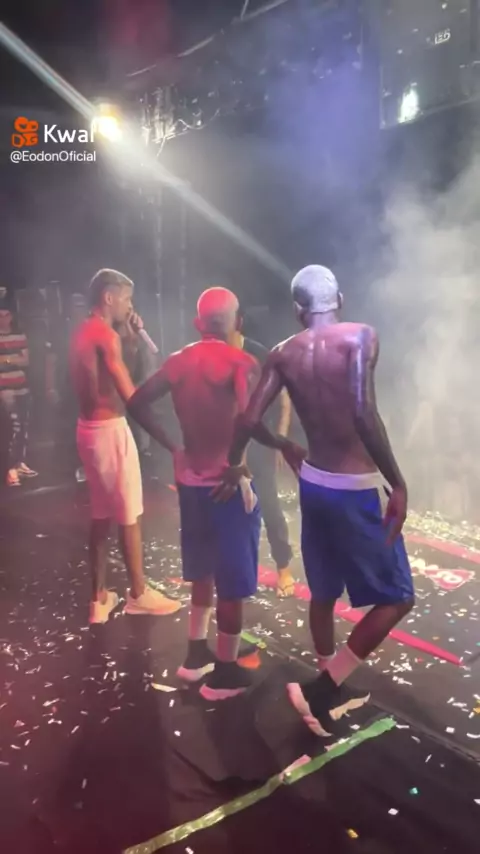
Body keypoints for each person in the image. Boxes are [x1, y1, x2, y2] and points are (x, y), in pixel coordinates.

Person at [217, 265, 414, 735]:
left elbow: (248, 419)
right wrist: (398, 483)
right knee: (398, 598)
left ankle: (328, 684)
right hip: (354, 485)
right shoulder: (360, 336)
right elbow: (363, 412)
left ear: (297, 310)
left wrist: (237, 461)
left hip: (315, 482)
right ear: (339, 299)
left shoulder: (283, 353)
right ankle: (324, 688)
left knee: (324, 591)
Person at [128, 287, 299, 699]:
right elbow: (249, 420)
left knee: (202, 571)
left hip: (191, 483)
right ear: (237, 322)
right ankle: (224, 673)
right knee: (232, 583)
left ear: (198, 323)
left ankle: (195, 656)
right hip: (227, 486)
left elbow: (136, 402)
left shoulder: (179, 361)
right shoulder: (241, 363)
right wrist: (270, 449)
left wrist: (174, 448)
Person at [70, 268, 181, 624]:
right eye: (127, 298)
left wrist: (131, 337)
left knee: (101, 514)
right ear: (109, 297)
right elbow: (129, 395)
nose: (130, 306)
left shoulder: (84, 330)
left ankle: (98, 599)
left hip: (88, 430)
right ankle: (138, 594)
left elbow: (111, 372)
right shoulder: (105, 334)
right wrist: (169, 440)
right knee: (130, 514)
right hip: (110, 431)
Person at [229, 321, 295, 597]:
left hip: (260, 441)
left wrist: (279, 441)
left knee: (269, 505)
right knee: (233, 507)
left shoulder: (259, 355)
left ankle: (284, 568)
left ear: (237, 323)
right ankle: (240, 571)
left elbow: (284, 399)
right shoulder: (215, 352)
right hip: (229, 444)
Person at [0, 294, 37, 487]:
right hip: (4, 389)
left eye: (6, 315)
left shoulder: (20, 335)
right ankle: (10, 469)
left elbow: (26, 361)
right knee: (12, 429)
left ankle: (19, 463)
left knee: (24, 428)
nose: (4, 319)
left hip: (21, 387)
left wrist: (6, 359)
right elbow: (19, 359)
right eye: (0, 316)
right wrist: (13, 359)